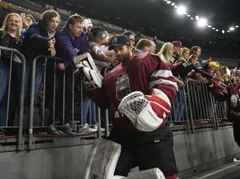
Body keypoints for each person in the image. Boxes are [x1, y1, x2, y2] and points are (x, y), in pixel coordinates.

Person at [84, 35, 179, 178]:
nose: (118, 53)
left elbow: (167, 84)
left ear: (130, 46)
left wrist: (154, 105)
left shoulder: (148, 60)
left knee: (163, 176)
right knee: (106, 175)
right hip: (122, 133)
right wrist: (90, 87)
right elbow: (104, 102)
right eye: (114, 50)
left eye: (121, 49)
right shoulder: (110, 75)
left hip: (150, 131)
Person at [14, 10, 60, 134]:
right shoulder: (36, 27)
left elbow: (54, 50)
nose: (55, 24)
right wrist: (47, 42)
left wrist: (53, 50)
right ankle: (17, 125)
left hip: (39, 64)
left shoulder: (56, 34)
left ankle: (30, 125)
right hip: (24, 61)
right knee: (22, 93)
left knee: (33, 94)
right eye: (52, 21)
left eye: (57, 22)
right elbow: (34, 37)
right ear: (46, 20)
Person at [47, 14, 88, 134]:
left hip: (68, 68)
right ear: (70, 26)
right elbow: (69, 49)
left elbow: (82, 54)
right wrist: (74, 61)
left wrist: (68, 64)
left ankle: (64, 123)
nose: (81, 30)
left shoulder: (82, 37)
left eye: (82, 27)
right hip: (54, 68)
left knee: (68, 94)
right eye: (78, 27)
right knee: (53, 94)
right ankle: (50, 123)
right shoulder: (62, 35)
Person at [0, 13, 23, 135]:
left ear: (19, 24)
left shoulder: (21, 38)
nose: (14, 23)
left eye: (16, 21)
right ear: (6, 22)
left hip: (16, 69)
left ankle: (2, 126)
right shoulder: (1, 34)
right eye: (11, 21)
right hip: (3, 66)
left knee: (7, 99)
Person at [207, 63, 240, 147]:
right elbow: (220, 97)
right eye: (236, 75)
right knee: (239, 142)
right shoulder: (231, 87)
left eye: (239, 76)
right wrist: (211, 86)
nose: (237, 78)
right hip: (236, 120)